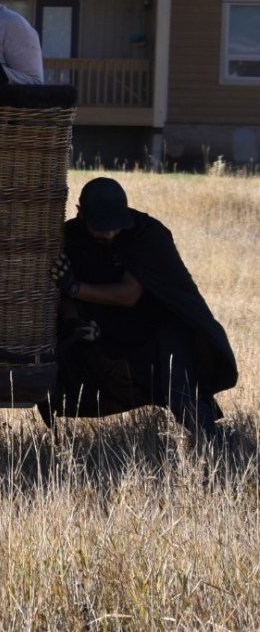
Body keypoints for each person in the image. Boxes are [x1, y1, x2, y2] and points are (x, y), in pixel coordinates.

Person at [46, 177, 240, 447]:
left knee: (179, 391)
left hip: (164, 326)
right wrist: (74, 320)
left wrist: (75, 287)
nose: (110, 234)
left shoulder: (146, 234)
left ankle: (218, 446)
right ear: (80, 213)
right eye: (101, 228)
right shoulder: (71, 238)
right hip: (114, 330)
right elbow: (58, 291)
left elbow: (130, 293)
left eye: (115, 227)